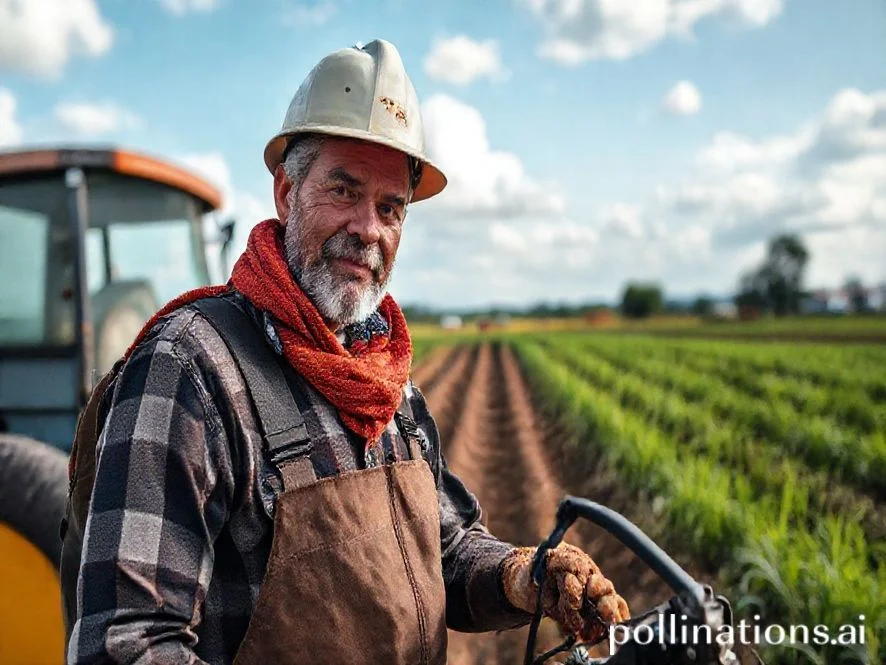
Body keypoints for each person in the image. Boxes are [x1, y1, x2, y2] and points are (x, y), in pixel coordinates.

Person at [64, 39, 629, 665]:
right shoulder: (189, 371)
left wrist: (522, 578)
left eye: (391, 207)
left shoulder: (385, 374)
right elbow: (126, 645)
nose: (368, 228)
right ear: (286, 194)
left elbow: (440, 550)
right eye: (343, 190)